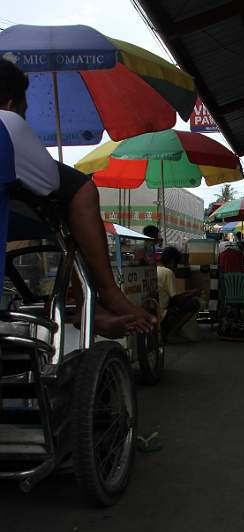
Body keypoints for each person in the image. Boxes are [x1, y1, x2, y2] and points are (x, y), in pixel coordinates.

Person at [0, 58, 154, 337]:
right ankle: (101, 296)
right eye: (24, 110)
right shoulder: (7, 124)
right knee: (78, 195)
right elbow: (53, 184)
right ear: (11, 104)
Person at [157, 246, 201, 343]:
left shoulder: (156, 269)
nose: (177, 267)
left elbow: (173, 295)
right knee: (194, 304)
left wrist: (190, 292)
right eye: (177, 263)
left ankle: (168, 331)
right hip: (162, 312)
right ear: (173, 261)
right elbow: (176, 298)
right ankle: (172, 333)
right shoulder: (168, 272)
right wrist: (193, 293)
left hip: (156, 308)